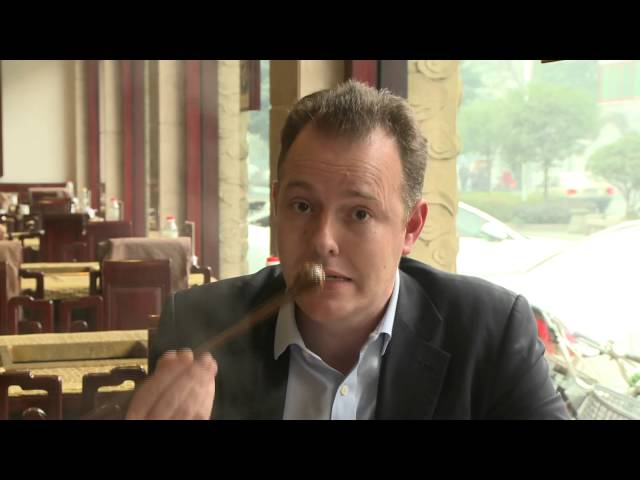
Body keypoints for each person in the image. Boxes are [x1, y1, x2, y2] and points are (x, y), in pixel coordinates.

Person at [126, 80, 568, 420]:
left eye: (359, 213)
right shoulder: (199, 326)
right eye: (302, 206)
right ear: (277, 206)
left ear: (411, 227)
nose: (322, 240)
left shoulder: (489, 334)